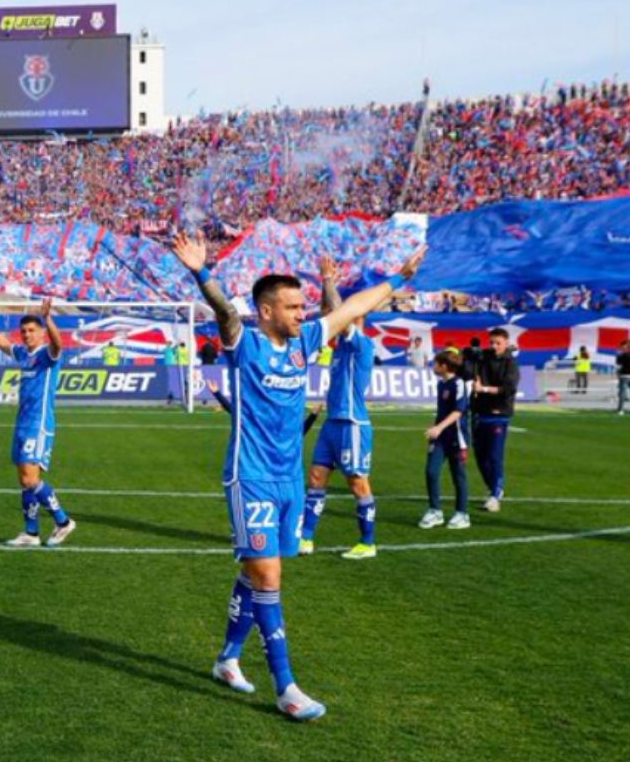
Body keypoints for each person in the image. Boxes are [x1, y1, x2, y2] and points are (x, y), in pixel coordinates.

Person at [172, 230, 424, 722]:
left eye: (302, 306)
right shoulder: (243, 344)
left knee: (255, 571)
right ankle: (286, 686)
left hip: (290, 481)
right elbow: (225, 311)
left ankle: (227, 658)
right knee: (269, 574)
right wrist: (201, 273)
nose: (302, 313)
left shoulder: (305, 342)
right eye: (291, 307)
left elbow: (352, 308)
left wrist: (399, 278)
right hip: (251, 477)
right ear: (266, 311)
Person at [0, 300, 76, 547]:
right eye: (24, 331)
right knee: (24, 480)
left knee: (31, 480)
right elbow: (2, 343)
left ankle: (63, 521)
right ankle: (31, 533)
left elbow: (59, 343)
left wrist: (48, 318)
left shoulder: (47, 355)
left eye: (32, 331)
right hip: (22, 422)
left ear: (41, 333)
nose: (27, 335)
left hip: (38, 423)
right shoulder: (23, 354)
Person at [300, 257, 378, 560]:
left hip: (353, 424)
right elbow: (326, 314)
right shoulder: (337, 347)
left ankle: (367, 542)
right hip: (333, 424)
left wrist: (329, 279)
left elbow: (339, 314)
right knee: (316, 477)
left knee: (357, 483)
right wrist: (325, 284)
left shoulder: (362, 345)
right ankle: (306, 538)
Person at [419, 351, 471, 530]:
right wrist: (437, 427)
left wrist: (438, 427)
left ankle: (462, 514)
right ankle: (435, 511)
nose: (434, 367)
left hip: (457, 438)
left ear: (444, 366)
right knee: (431, 471)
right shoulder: (442, 384)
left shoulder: (459, 384)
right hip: (440, 438)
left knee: (458, 476)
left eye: (436, 364)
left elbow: (458, 411)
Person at [471, 327, 519, 512]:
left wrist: (484, 389)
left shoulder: (510, 364)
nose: (494, 346)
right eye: (491, 342)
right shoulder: (483, 358)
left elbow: (508, 388)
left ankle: (495, 494)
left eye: (498, 343)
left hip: (499, 415)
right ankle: (492, 488)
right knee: (480, 457)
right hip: (480, 412)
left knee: (494, 455)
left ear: (506, 343)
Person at [617, 340, 630, 414]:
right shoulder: (623, 355)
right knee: (622, 394)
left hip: (624, 375)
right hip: (625, 375)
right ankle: (620, 409)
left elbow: (618, 363)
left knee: (622, 393)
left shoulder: (622, 355)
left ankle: (621, 409)